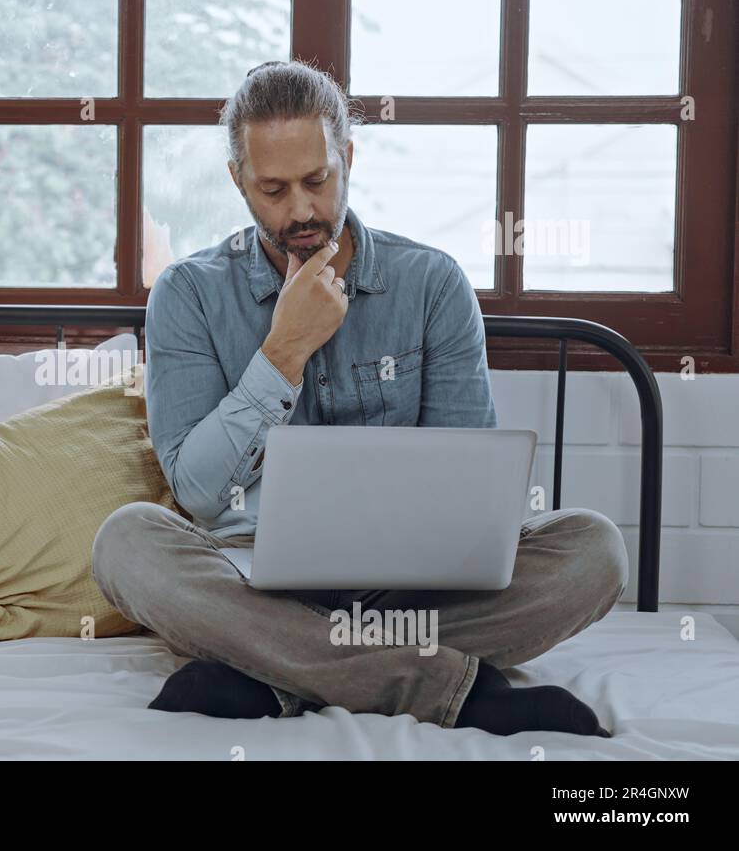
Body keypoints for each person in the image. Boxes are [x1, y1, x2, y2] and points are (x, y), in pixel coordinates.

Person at [91, 60, 627, 737]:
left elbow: (468, 491)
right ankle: (451, 690)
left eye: (317, 181)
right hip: (252, 581)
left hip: (413, 588)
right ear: (237, 181)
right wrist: (282, 352)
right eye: (273, 189)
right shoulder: (188, 294)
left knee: (596, 551)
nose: (301, 211)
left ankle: (276, 675)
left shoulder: (431, 283)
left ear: (347, 156)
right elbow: (198, 492)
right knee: (126, 543)